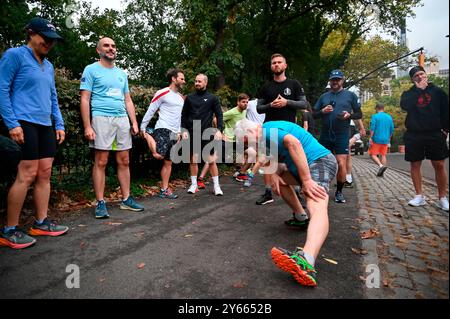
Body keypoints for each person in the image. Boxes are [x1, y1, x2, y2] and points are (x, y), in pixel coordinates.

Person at [234, 119, 337, 287]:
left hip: (320, 161)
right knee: (280, 183)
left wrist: (307, 180)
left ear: (251, 131)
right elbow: (272, 159)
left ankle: (307, 260)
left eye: (245, 140)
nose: (246, 145)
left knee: (315, 202)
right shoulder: (263, 140)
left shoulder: (267, 131)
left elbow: (293, 142)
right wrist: (274, 173)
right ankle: (300, 216)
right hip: (301, 167)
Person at [0, 17, 68, 249]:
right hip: (23, 121)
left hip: (45, 124)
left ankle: (41, 223)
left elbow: (52, 98)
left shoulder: (48, 66)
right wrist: (11, 123)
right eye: (45, 38)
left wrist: (58, 123)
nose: (49, 43)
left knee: (45, 173)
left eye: (52, 40)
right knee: (26, 174)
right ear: (30, 33)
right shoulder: (14, 55)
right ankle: (9, 230)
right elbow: (2, 88)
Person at [80, 37, 144, 219]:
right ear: (98, 50)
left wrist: (134, 121)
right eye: (106, 46)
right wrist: (87, 125)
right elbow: (85, 98)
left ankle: (126, 199)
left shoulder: (122, 74)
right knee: (101, 161)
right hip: (101, 117)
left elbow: (128, 99)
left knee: (124, 160)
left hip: (122, 119)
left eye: (113, 46)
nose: (111, 48)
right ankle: (100, 203)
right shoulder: (91, 70)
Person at [255, 53, 308, 205]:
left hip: (289, 129)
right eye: (273, 63)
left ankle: (297, 193)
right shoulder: (266, 87)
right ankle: (267, 192)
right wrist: (270, 105)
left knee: (292, 161)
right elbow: (259, 108)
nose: (276, 65)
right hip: (269, 129)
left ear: (285, 66)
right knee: (268, 162)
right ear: (271, 66)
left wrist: (287, 102)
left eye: (279, 62)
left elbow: (304, 104)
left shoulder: (294, 84)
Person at [400, 66, 449, 211]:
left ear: (426, 75)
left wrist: (446, 130)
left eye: (421, 74)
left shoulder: (438, 92)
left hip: (435, 133)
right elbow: (405, 106)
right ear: (412, 79)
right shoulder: (409, 94)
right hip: (414, 133)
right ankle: (419, 196)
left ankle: (442, 197)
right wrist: (419, 90)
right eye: (416, 76)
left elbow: (446, 111)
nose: (420, 77)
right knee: (415, 164)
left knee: (439, 164)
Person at [313, 69, 362, 204]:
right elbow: (313, 114)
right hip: (325, 134)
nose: (335, 82)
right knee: (321, 162)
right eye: (333, 80)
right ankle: (321, 188)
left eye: (337, 79)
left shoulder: (350, 95)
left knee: (341, 163)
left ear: (342, 80)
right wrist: (322, 111)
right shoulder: (324, 97)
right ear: (330, 81)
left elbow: (359, 114)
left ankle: (339, 192)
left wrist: (349, 116)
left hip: (342, 134)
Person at [140, 68, 185, 199]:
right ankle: (149, 133)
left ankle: (164, 190)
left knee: (168, 162)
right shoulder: (162, 92)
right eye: (181, 78)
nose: (184, 81)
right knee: (158, 155)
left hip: (174, 132)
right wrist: (143, 127)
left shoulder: (180, 98)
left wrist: (179, 132)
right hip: (163, 128)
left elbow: (179, 117)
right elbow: (151, 109)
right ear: (173, 79)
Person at [181, 74, 224, 196]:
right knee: (193, 160)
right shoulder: (189, 98)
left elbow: (219, 115)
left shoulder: (213, 98)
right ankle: (194, 184)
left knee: (211, 161)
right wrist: (183, 130)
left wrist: (219, 130)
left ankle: (216, 186)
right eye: (195, 81)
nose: (197, 83)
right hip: (192, 132)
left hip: (207, 132)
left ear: (206, 83)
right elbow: (184, 115)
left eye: (199, 81)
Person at [222, 93, 249, 182]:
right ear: (238, 102)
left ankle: (239, 172)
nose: (245, 104)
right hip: (229, 138)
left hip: (239, 137)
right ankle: (237, 170)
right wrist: (221, 133)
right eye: (243, 102)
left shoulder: (244, 111)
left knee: (247, 153)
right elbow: (216, 119)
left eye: (247, 102)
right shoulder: (232, 112)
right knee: (227, 160)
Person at [368, 103, 394, 177]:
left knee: (372, 154)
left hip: (377, 138)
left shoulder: (375, 116)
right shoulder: (389, 117)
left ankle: (381, 166)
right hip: (386, 139)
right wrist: (389, 138)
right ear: (383, 108)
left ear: (376, 108)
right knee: (383, 155)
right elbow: (392, 129)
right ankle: (382, 172)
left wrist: (370, 137)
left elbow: (372, 128)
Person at [345, 119, 366, 187]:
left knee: (346, 153)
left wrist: (362, 128)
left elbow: (357, 114)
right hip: (348, 125)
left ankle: (347, 179)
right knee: (345, 153)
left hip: (346, 125)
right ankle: (346, 179)